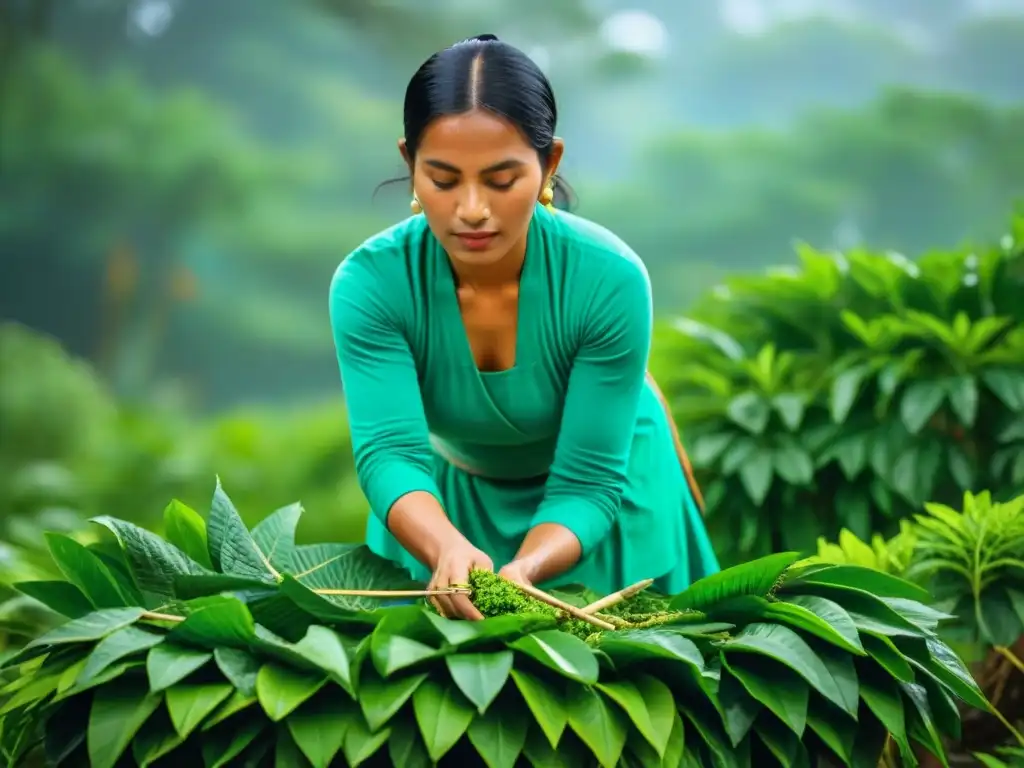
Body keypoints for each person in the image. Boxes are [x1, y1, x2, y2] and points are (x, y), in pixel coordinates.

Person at [329, 34, 719, 621]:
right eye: (443, 179)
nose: (472, 209)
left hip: (608, 496)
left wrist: (524, 569)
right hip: (441, 506)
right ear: (410, 165)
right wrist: (446, 545)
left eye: (501, 180)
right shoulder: (371, 285)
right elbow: (390, 451)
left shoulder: (609, 280)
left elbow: (589, 479)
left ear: (549, 165)